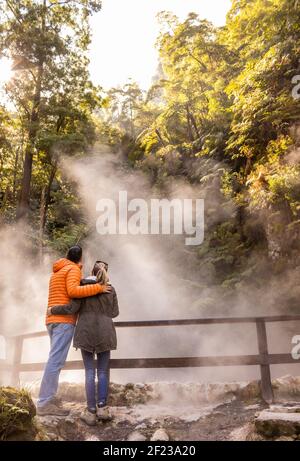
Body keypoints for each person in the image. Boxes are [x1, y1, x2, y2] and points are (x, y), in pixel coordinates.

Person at [37, 246, 112, 416]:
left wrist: (53, 311)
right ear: (80, 259)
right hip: (63, 322)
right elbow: (73, 292)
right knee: (56, 362)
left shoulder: (57, 272)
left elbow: (62, 295)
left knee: (55, 360)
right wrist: (99, 288)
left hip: (52, 321)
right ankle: (44, 402)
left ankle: (49, 397)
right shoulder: (72, 269)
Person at [48, 261, 119, 426]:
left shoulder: (82, 286)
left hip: (85, 333)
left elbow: (71, 309)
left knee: (89, 372)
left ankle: (91, 411)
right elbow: (115, 313)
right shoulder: (110, 289)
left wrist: (53, 310)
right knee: (102, 371)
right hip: (105, 333)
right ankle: (103, 408)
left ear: (91, 271)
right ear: (106, 273)